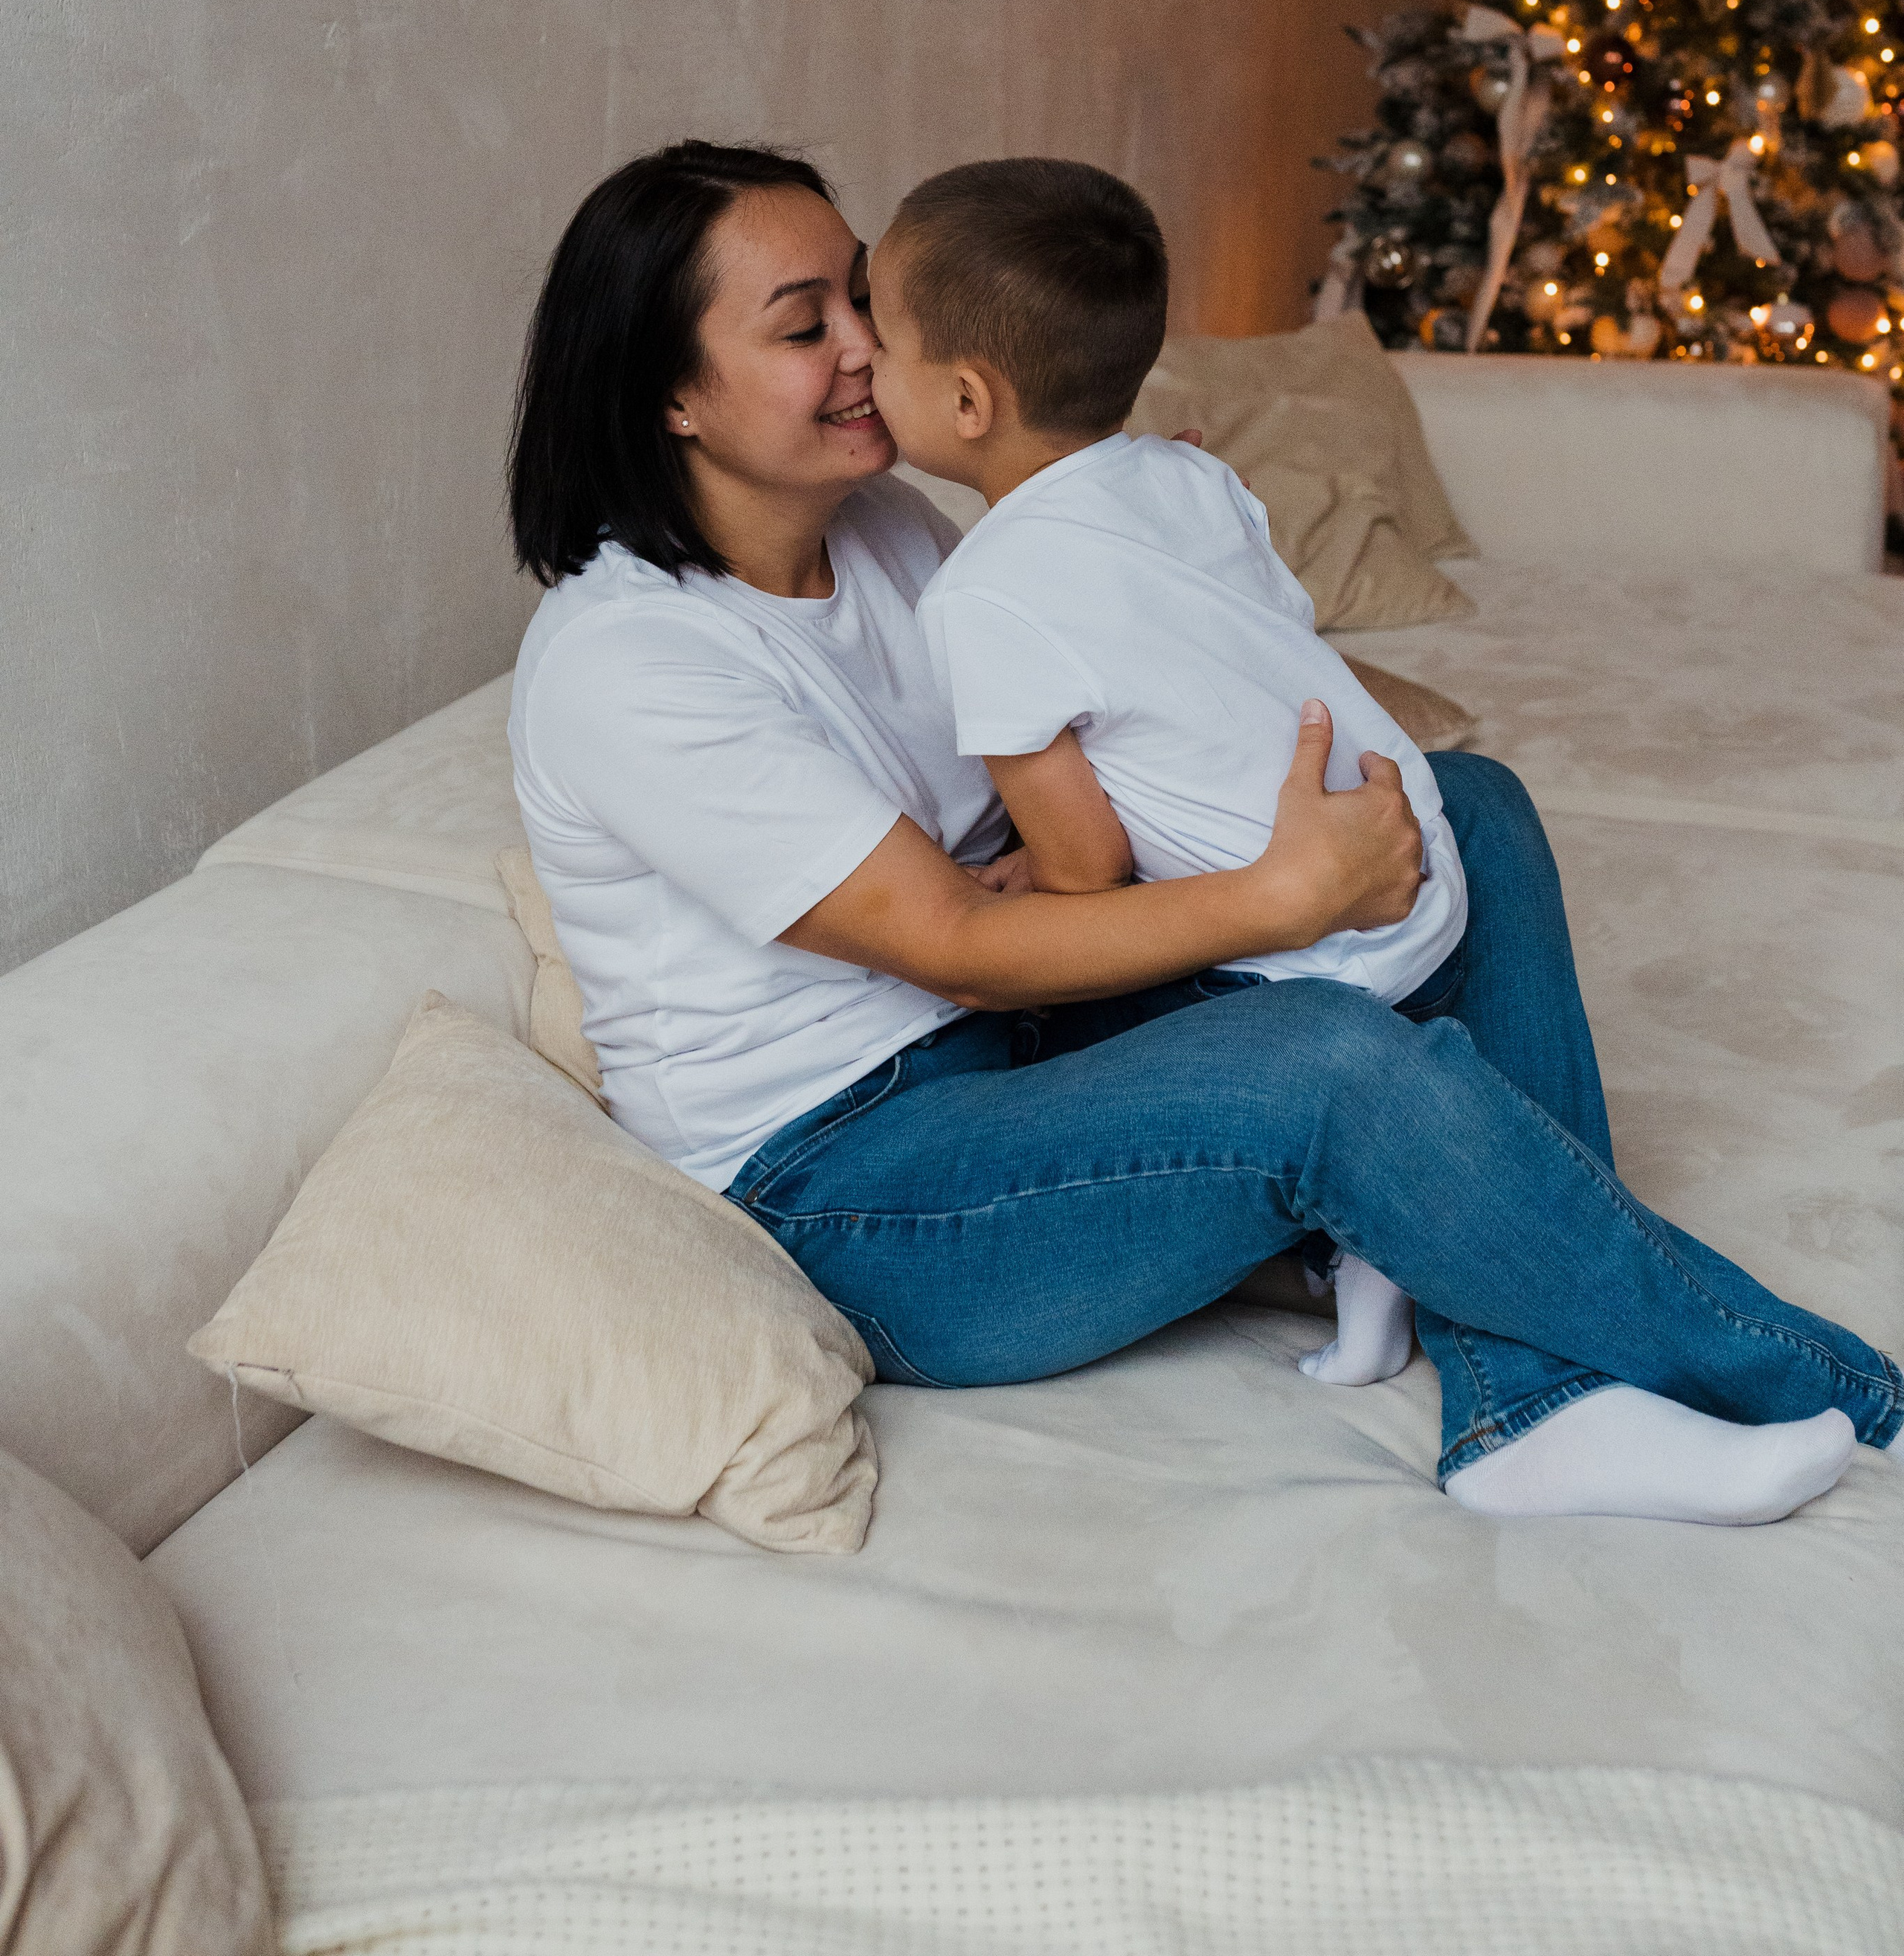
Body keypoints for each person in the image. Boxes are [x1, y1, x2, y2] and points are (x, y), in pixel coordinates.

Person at [506, 137, 1903, 1525]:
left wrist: (1145, 538)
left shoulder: (892, 538)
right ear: (671, 395)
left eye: (864, 300)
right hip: (860, 1194)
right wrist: (1286, 900)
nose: (869, 349)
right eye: (808, 327)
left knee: (1461, 810)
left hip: (1031, 1044)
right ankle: (1832, 1389)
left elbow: (1082, 781)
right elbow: (960, 946)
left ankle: (1536, 1394)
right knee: (1327, 1063)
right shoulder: (629, 663)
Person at [871, 153, 1461, 1389]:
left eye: (879, 342)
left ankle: (1373, 1222)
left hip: (1309, 961)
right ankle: (1396, 1217)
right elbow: (1270, 634)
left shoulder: (985, 594)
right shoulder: (1193, 475)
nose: (861, 368)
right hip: (1420, 871)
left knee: (1061, 992)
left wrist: (1007, 886)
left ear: (969, 401)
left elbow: (1091, 868)